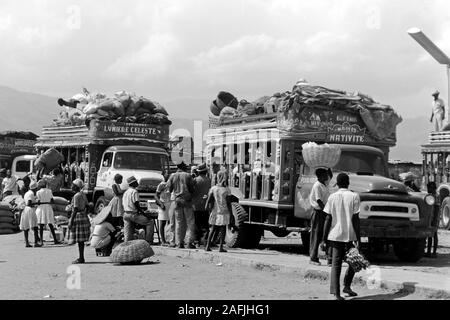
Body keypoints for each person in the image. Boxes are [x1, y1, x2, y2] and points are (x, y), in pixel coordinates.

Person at [321, 173, 361, 300]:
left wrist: (324, 238)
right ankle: (347, 285)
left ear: (337, 184)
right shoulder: (354, 196)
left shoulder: (332, 197)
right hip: (350, 234)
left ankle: (336, 293)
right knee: (355, 261)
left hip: (335, 235)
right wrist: (358, 238)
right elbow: (356, 219)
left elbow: (328, 218)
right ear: (348, 183)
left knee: (336, 264)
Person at [167, 162, 196, 249]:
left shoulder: (172, 176)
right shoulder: (188, 175)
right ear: (183, 167)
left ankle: (179, 243)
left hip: (177, 201)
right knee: (190, 222)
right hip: (187, 201)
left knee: (179, 223)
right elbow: (191, 189)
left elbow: (169, 188)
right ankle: (189, 242)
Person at [204, 170, 234, 252]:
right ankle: (221, 247)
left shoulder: (213, 188)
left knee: (213, 229)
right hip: (224, 212)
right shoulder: (226, 190)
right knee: (223, 229)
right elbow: (228, 203)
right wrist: (231, 214)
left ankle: (207, 246)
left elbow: (208, 201)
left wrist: (208, 209)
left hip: (215, 211)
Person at [309, 168, 333, 266]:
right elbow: (319, 200)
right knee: (316, 234)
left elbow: (330, 176)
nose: (327, 177)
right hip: (319, 212)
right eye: (325, 175)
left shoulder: (324, 184)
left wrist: (329, 167)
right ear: (320, 176)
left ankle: (327, 256)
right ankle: (313, 257)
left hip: (323, 211)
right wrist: (326, 210)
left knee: (324, 234)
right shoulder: (317, 185)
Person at [122, 176, 155, 244]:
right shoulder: (134, 191)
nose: (137, 183)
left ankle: (127, 243)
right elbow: (136, 205)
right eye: (136, 182)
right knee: (150, 222)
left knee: (128, 230)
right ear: (133, 183)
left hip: (126, 214)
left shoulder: (126, 192)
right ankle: (149, 241)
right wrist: (145, 214)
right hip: (133, 214)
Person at [67, 179, 91, 264]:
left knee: (80, 240)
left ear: (76, 187)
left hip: (78, 217)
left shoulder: (76, 196)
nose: (71, 186)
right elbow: (88, 206)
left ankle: (81, 258)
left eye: (72, 185)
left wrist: (71, 221)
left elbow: (75, 209)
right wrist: (85, 213)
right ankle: (81, 257)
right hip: (83, 216)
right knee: (81, 240)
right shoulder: (83, 194)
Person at [192, 163, 212, 247]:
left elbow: (192, 191)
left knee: (197, 223)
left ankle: (196, 241)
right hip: (205, 205)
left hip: (196, 205)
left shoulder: (195, 180)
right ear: (206, 171)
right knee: (205, 224)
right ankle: (205, 240)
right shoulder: (208, 180)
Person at [36, 179, 60, 246]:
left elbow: (38, 201)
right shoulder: (49, 191)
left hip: (41, 208)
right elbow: (52, 200)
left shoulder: (38, 192)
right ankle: (55, 239)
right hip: (48, 207)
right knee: (50, 224)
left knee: (41, 224)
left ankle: (41, 240)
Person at [19, 181, 41, 248]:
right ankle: (36, 243)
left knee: (26, 227)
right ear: (35, 188)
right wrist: (37, 203)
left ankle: (27, 243)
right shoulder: (31, 194)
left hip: (25, 210)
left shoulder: (27, 193)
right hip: (30, 210)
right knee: (35, 227)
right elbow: (29, 203)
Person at [155, 172, 172, 246]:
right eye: (166, 174)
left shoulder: (170, 184)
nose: (168, 175)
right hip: (163, 205)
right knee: (162, 223)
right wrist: (161, 204)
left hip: (170, 204)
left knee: (170, 223)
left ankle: (169, 239)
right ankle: (163, 240)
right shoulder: (161, 185)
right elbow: (155, 196)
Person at [426, 182, 439, 258]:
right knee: (430, 235)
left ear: (432, 188)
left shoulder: (435, 196)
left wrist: (434, 221)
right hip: (431, 218)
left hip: (434, 218)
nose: (427, 190)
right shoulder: (432, 195)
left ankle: (433, 252)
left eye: (429, 188)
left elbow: (436, 209)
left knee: (434, 235)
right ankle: (428, 252)